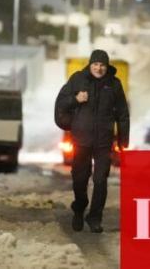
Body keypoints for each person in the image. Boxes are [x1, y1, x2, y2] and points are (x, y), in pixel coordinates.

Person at [55, 49, 130, 233]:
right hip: (82, 139)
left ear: (107, 66)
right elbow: (61, 102)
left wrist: (123, 140)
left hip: (104, 141)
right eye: (95, 64)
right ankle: (79, 210)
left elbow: (122, 114)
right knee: (80, 179)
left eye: (102, 65)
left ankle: (95, 217)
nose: (99, 68)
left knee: (100, 180)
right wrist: (75, 99)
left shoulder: (114, 84)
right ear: (90, 64)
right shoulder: (78, 79)